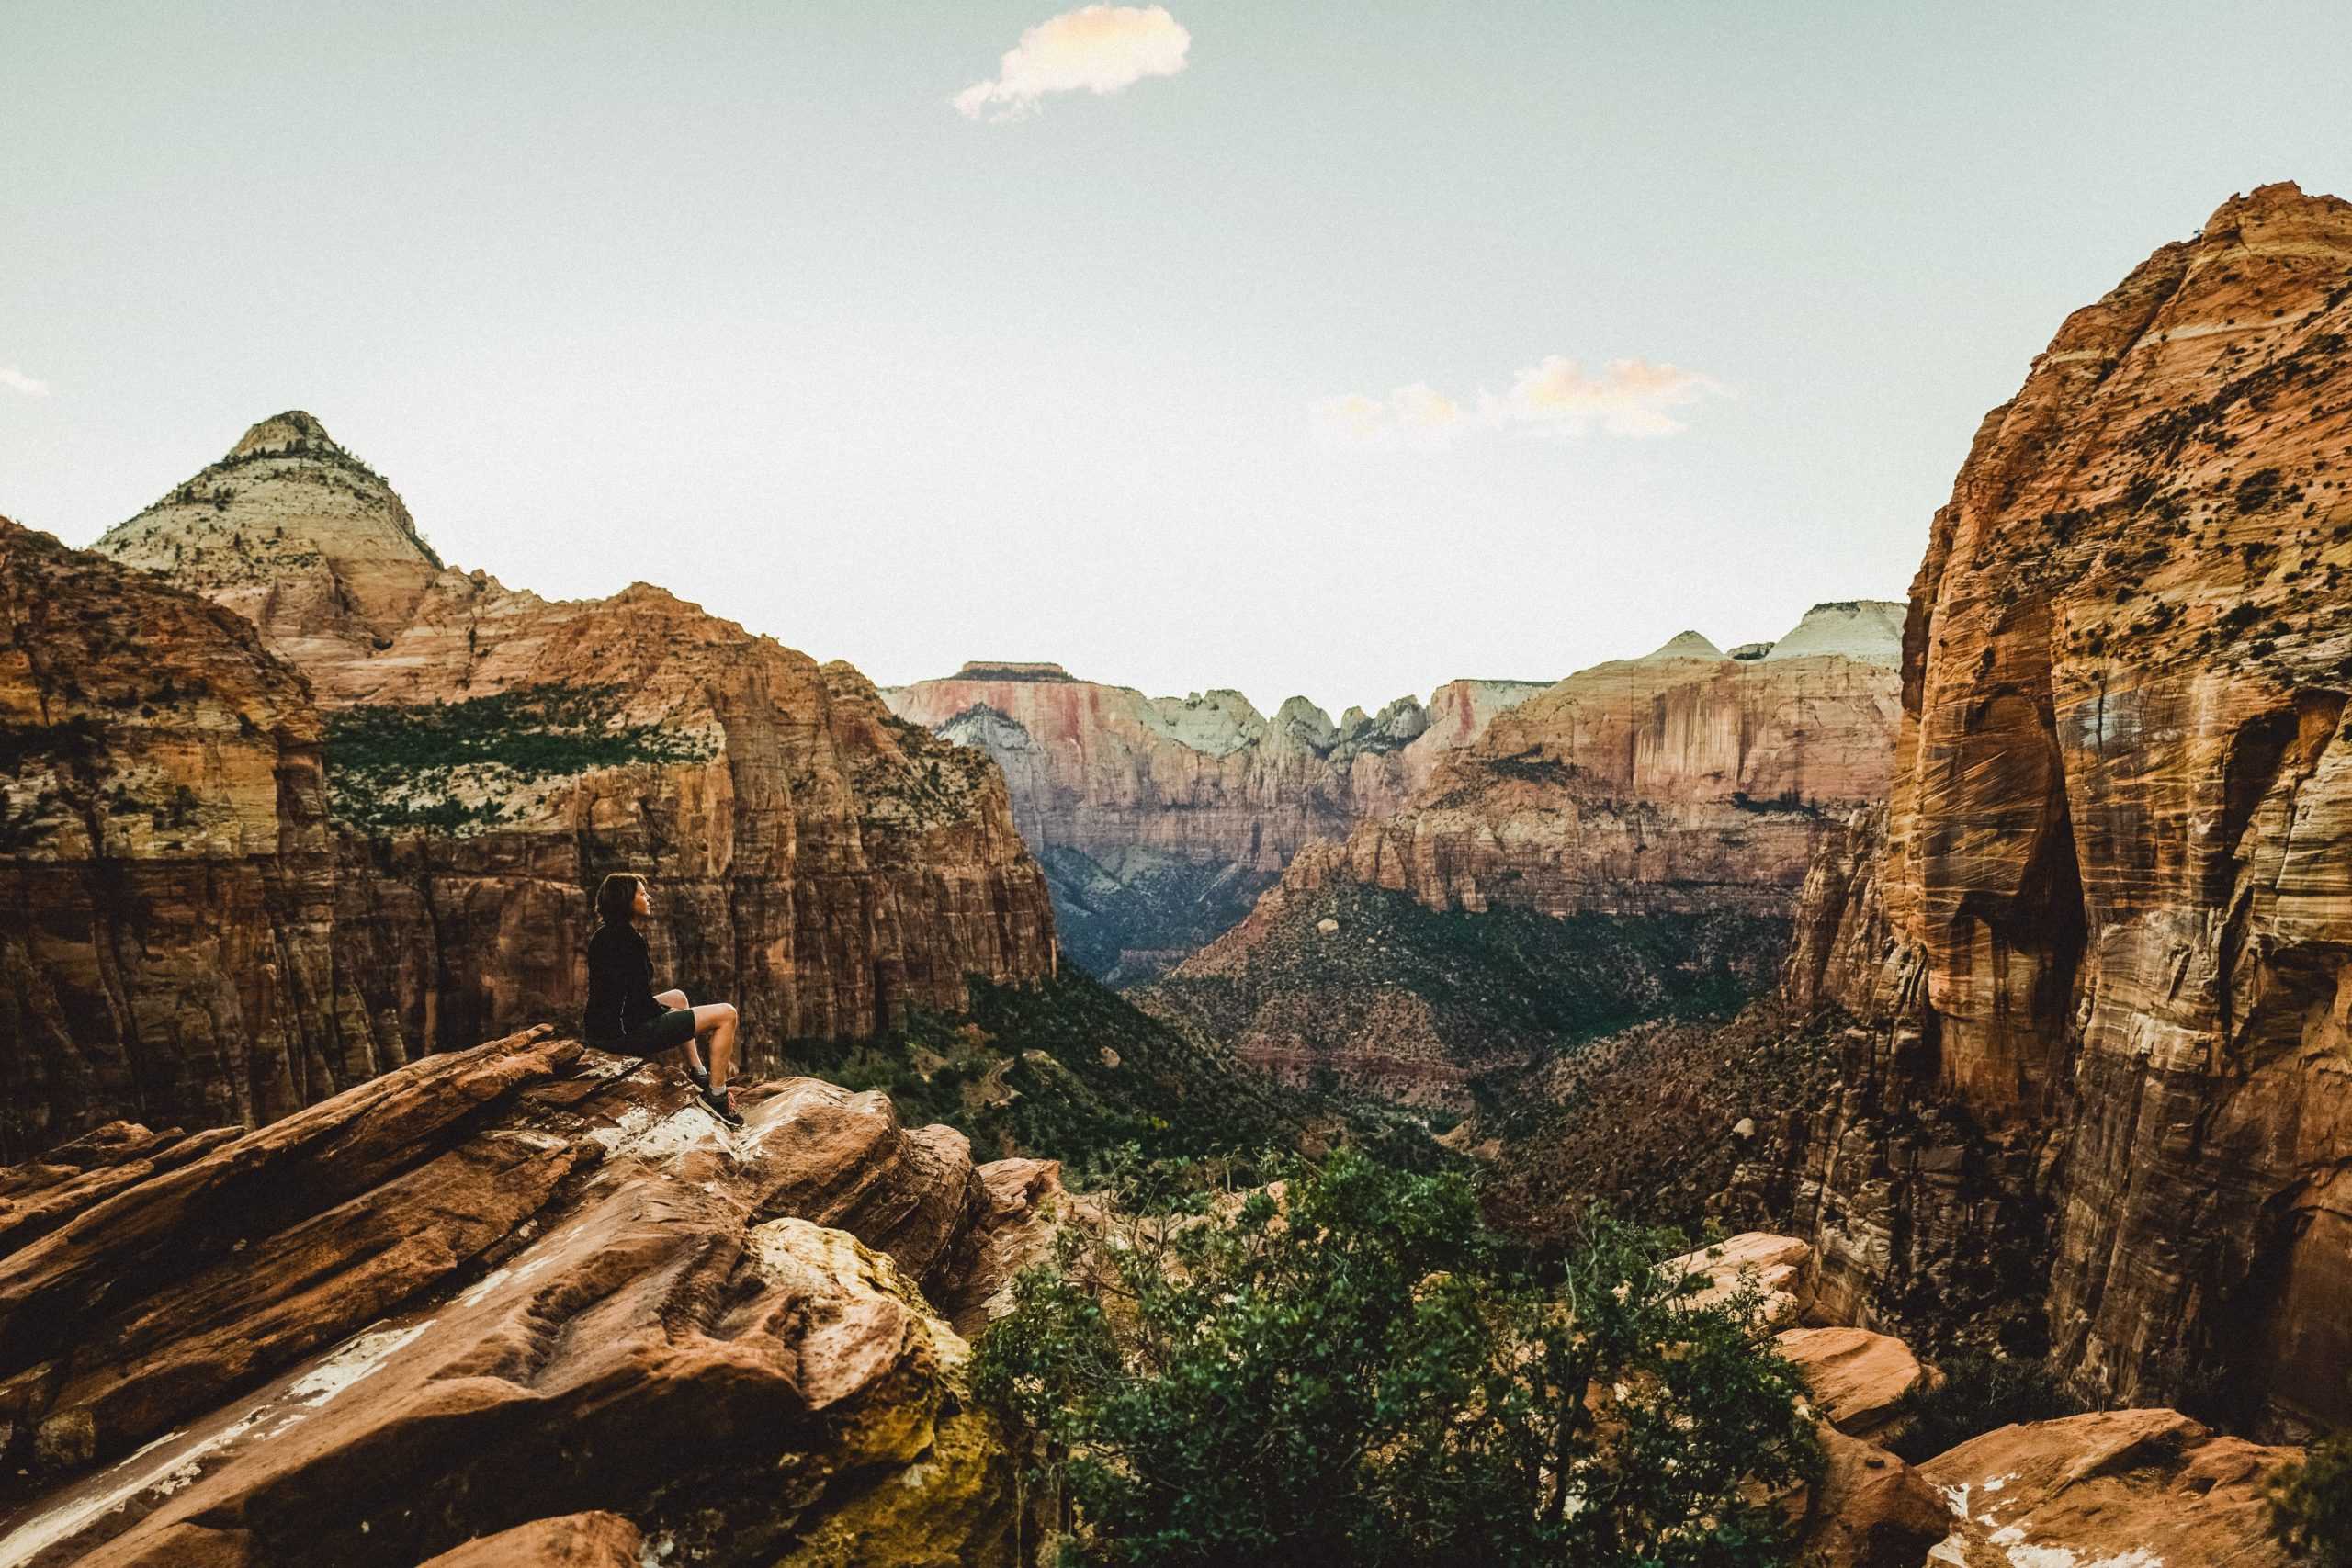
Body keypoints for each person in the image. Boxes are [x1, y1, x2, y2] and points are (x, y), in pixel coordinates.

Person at [582, 871, 744, 1126]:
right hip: (622, 1035)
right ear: (626, 901)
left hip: (602, 1029)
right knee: (727, 1014)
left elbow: (621, 996)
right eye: (642, 893)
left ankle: (699, 1073)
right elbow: (637, 1004)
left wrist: (669, 1012)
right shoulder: (627, 940)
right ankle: (717, 1095)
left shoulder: (603, 935)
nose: (649, 897)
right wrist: (668, 1017)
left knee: (678, 997)